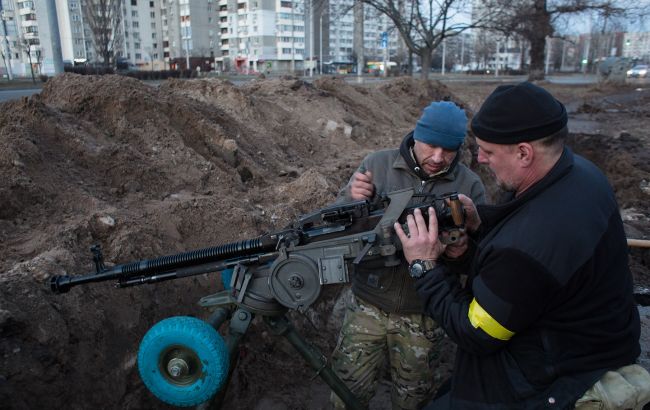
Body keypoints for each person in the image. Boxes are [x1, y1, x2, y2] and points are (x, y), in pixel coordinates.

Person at [395, 82, 647, 409]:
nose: (480, 159)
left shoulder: (536, 240)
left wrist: (424, 266)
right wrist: (479, 224)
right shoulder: (581, 174)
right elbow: (525, 272)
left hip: (552, 376)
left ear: (524, 152)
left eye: (488, 150)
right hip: (589, 342)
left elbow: (476, 333)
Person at [330, 101, 486, 409]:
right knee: (345, 393)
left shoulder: (470, 186)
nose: (438, 158)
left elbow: (483, 259)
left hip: (425, 317)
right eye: (431, 146)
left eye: (449, 150)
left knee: (414, 400)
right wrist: (350, 200)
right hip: (367, 307)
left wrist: (460, 252)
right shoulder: (378, 164)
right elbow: (336, 227)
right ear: (416, 135)